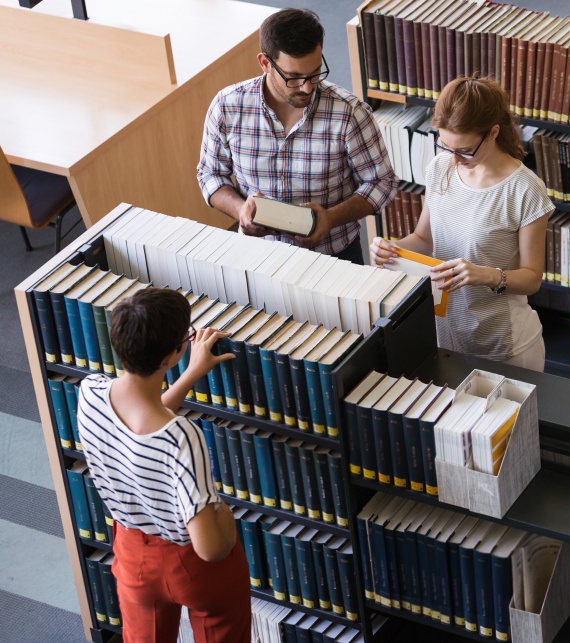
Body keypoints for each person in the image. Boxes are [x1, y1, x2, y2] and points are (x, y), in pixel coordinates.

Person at [77, 288, 247, 643]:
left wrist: (187, 377)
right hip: (192, 566)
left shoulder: (90, 392)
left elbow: (142, 424)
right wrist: (226, 520)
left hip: (133, 553)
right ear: (173, 353)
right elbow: (210, 549)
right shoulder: (180, 437)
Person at [368, 76, 552, 370]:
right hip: (445, 335)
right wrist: (393, 249)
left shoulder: (525, 189)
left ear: (493, 133)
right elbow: (425, 239)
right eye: (445, 146)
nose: (454, 160)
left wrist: (486, 275)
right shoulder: (440, 167)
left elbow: (532, 278)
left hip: (505, 345)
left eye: (465, 150)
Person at [197, 8, 398, 263]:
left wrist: (331, 218)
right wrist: (240, 211)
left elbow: (382, 182)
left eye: (314, 73)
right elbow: (210, 174)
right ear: (265, 63)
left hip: (335, 256)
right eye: (293, 77)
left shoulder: (350, 114)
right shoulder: (227, 106)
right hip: (257, 256)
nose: (307, 87)